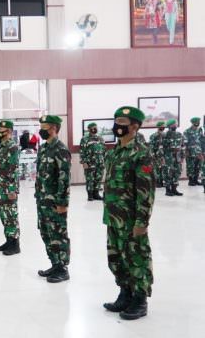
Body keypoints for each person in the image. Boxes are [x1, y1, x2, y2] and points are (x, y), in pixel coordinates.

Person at [102, 106, 155, 320]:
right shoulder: (114, 152)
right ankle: (125, 293)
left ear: (135, 126)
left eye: (122, 122)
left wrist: (142, 221)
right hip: (113, 216)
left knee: (137, 258)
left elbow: (146, 191)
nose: (117, 126)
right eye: (116, 121)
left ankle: (140, 299)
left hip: (132, 218)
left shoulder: (141, 153)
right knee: (116, 258)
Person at [35, 115, 72, 283]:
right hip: (42, 199)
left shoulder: (61, 149)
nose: (42, 130)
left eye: (45, 127)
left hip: (55, 202)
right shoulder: (43, 148)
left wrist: (62, 202)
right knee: (46, 232)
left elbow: (64, 178)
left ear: (54, 129)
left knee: (58, 233)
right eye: (41, 126)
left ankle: (63, 268)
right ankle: (55, 263)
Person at [0, 121, 20, 255]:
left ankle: (15, 244)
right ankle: (8, 240)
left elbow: (14, 169)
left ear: (9, 131)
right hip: (0, 186)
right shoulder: (1, 146)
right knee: (4, 215)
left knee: (11, 215)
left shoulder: (12, 146)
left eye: (1, 130)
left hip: (8, 188)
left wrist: (12, 189)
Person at [80, 122, 106, 201]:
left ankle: (96, 194)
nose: (95, 129)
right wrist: (84, 162)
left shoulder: (100, 138)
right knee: (90, 179)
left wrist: (104, 160)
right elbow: (82, 151)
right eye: (93, 127)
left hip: (100, 162)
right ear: (88, 129)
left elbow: (104, 150)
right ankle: (90, 195)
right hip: (90, 163)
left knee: (98, 178)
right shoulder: (85, 139)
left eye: (95, 127)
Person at [163, 119, 184, 196]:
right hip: (169, 157)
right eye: (173, 124)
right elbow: (162, 148)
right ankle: (168, 190)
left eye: (175, 124)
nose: (175, 125)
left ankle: (174, 189)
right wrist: (162, 158)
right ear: (169, 126)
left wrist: (182, 156)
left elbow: (182, 146)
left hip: (177, 157)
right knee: (168, 173)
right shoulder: (165, 135)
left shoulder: (179, 134)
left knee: (177, 172)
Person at [184, 117, 203, 186]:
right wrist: (186, 151)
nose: (197, 124)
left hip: (198, 152)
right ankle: (191, 181)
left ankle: (196, 179)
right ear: (193, 123)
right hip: (190, 152)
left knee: (197, 166)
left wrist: (202, 151)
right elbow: (185, 142)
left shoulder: (200, 130)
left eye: (198, 122)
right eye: (196, 123)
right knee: (190, 166)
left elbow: (201, 141)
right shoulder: (187, 131)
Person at [149, 121, 167, 188]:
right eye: (162, 126)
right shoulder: (153, 136)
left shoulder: (165, 135)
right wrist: (152, 155)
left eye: (164, 126)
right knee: (157, 169)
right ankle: (158, 182)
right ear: (159, 127)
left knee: (164, 169)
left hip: (165, 155)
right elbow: (151, 146)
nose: (164, 127)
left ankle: (163, 181)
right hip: (156, 155)